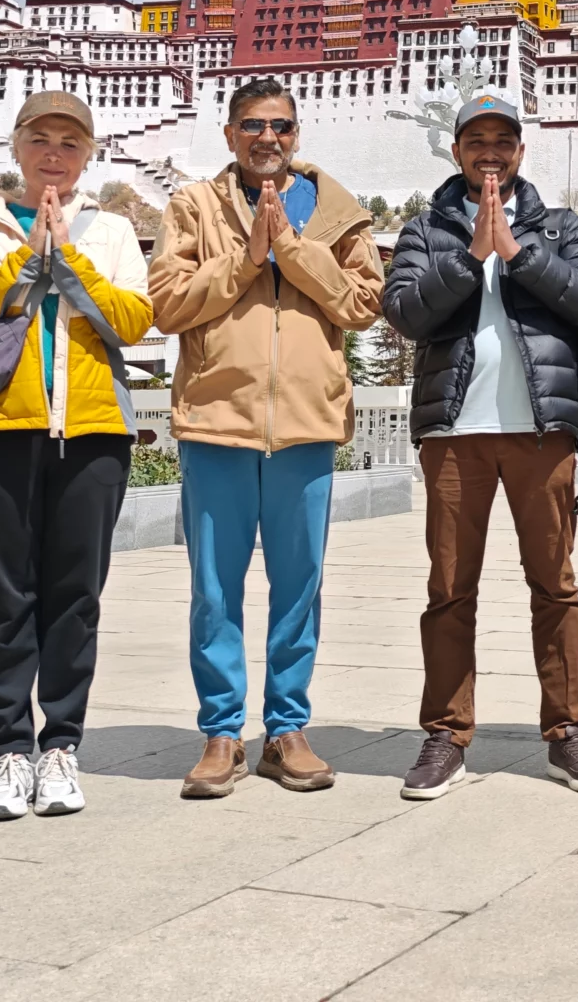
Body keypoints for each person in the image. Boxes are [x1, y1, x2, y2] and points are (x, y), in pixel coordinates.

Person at [149, 77, 383, 798]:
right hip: (217, 421)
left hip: (308, 423)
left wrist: (292, 250)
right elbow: (167, 304)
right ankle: (222, 733)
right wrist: (246, 259)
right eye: (252, 125)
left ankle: (287, 728)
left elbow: (364, 305)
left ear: (297, 133)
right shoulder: (194, 205)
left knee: (299, 586)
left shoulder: (337, 212)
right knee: (214, 589)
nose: (267, 138)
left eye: (280, 125)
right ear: (229, 134)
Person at [382, 95, 578, 800]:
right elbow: (405, 312)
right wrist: (471, 258)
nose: (490, 152)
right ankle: (446, 735)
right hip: (455, 435)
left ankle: (565, 731)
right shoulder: (424, 229)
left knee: (556, 586)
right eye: (476, 140)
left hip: (541, 431)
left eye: (503, 140)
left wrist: (517, 254)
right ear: (456, 151)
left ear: (521, 151)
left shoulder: (562, 225)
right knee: (449, 591)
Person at [0, 92, 155, 821]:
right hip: (1, 427)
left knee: (75, 598)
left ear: (89, 153)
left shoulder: (115, 229)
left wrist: (73, 266)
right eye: (40, 138)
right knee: (5, 599)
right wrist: (25, 265)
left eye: (69, 140)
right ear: (16, 147)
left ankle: (60, 746)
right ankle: (7, 750)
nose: (54, 152)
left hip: (94, 431)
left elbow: (133, 320)